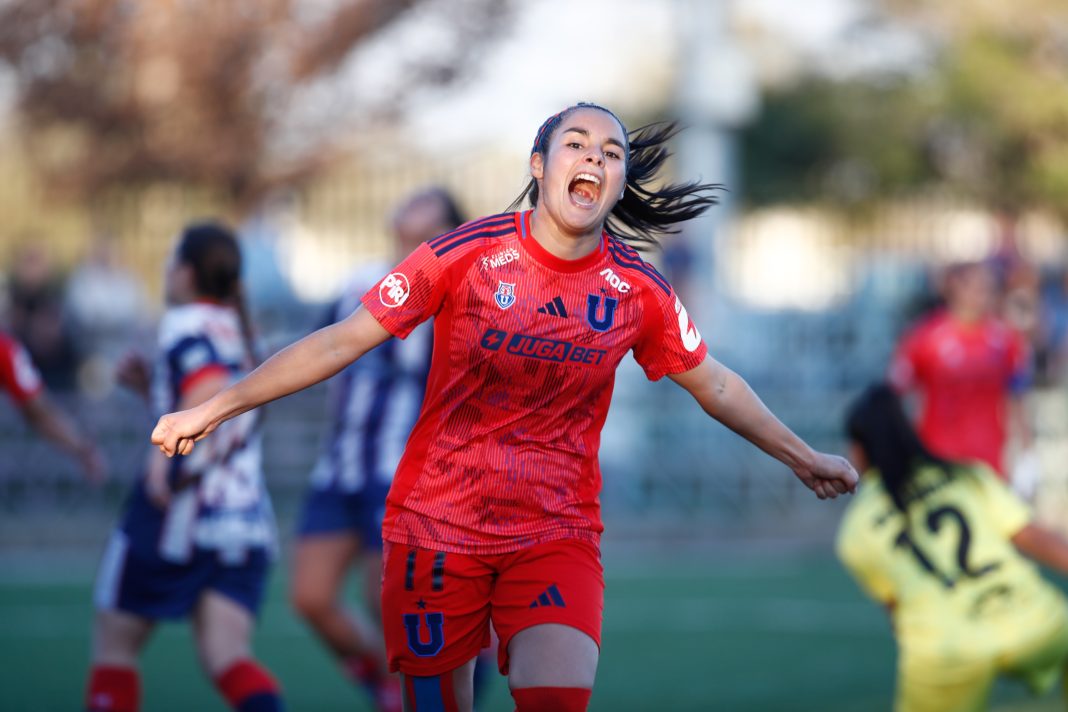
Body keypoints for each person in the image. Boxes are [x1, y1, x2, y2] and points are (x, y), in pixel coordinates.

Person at [150, 103, 858, 712]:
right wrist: (213, 408)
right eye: (577, 145)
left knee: (555, 699)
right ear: (540, 164)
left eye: (611, 152)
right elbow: (340, 342)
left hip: (556, 533)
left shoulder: (638, 290)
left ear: (618, 183)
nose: (595, 159)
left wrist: (805, 457)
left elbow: (718, 384)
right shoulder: (464, 255)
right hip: (436, 527)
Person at [85, 223, 283, 712]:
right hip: (243, 519)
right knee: (228, 655)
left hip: (180, 513)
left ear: (188, 273)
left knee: (114, 648)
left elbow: (206, 388)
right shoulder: (240, 326)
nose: (166, 271)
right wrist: (151, 385)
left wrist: (159, 467)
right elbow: (225, 401)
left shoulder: (184, 322)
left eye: (173, 262)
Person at [288, 188, 466, 712]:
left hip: (398, 473)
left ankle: (439, 683)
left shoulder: (450, 295)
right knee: (311, 597)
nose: (407, 211)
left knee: (385, 600)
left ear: (443, 232)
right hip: (338, 467)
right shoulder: (356, 283)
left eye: (424, 209)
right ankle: (388, 689)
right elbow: (313, 346)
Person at [836, 383, 1068, 712]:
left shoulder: (856, 529)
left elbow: (897, 612)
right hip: (1032, 617)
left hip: (946, 648)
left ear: (859, 450)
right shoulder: (967, 477)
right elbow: (1033, 538)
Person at [889, 261, 1032, 479]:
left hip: (989, 462)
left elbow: (1017, 399)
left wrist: (1027, 454)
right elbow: (896, 394)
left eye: (986, 287)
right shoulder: (925, 338)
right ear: (954, 287)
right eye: (975, 286)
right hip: (939, 460)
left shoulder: (1005, 340)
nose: (981, 294)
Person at [0, 329, 104, 481]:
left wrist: (82, 448)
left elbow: (38, 411)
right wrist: (83, 448)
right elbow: (38, 410)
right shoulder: (5, 349)